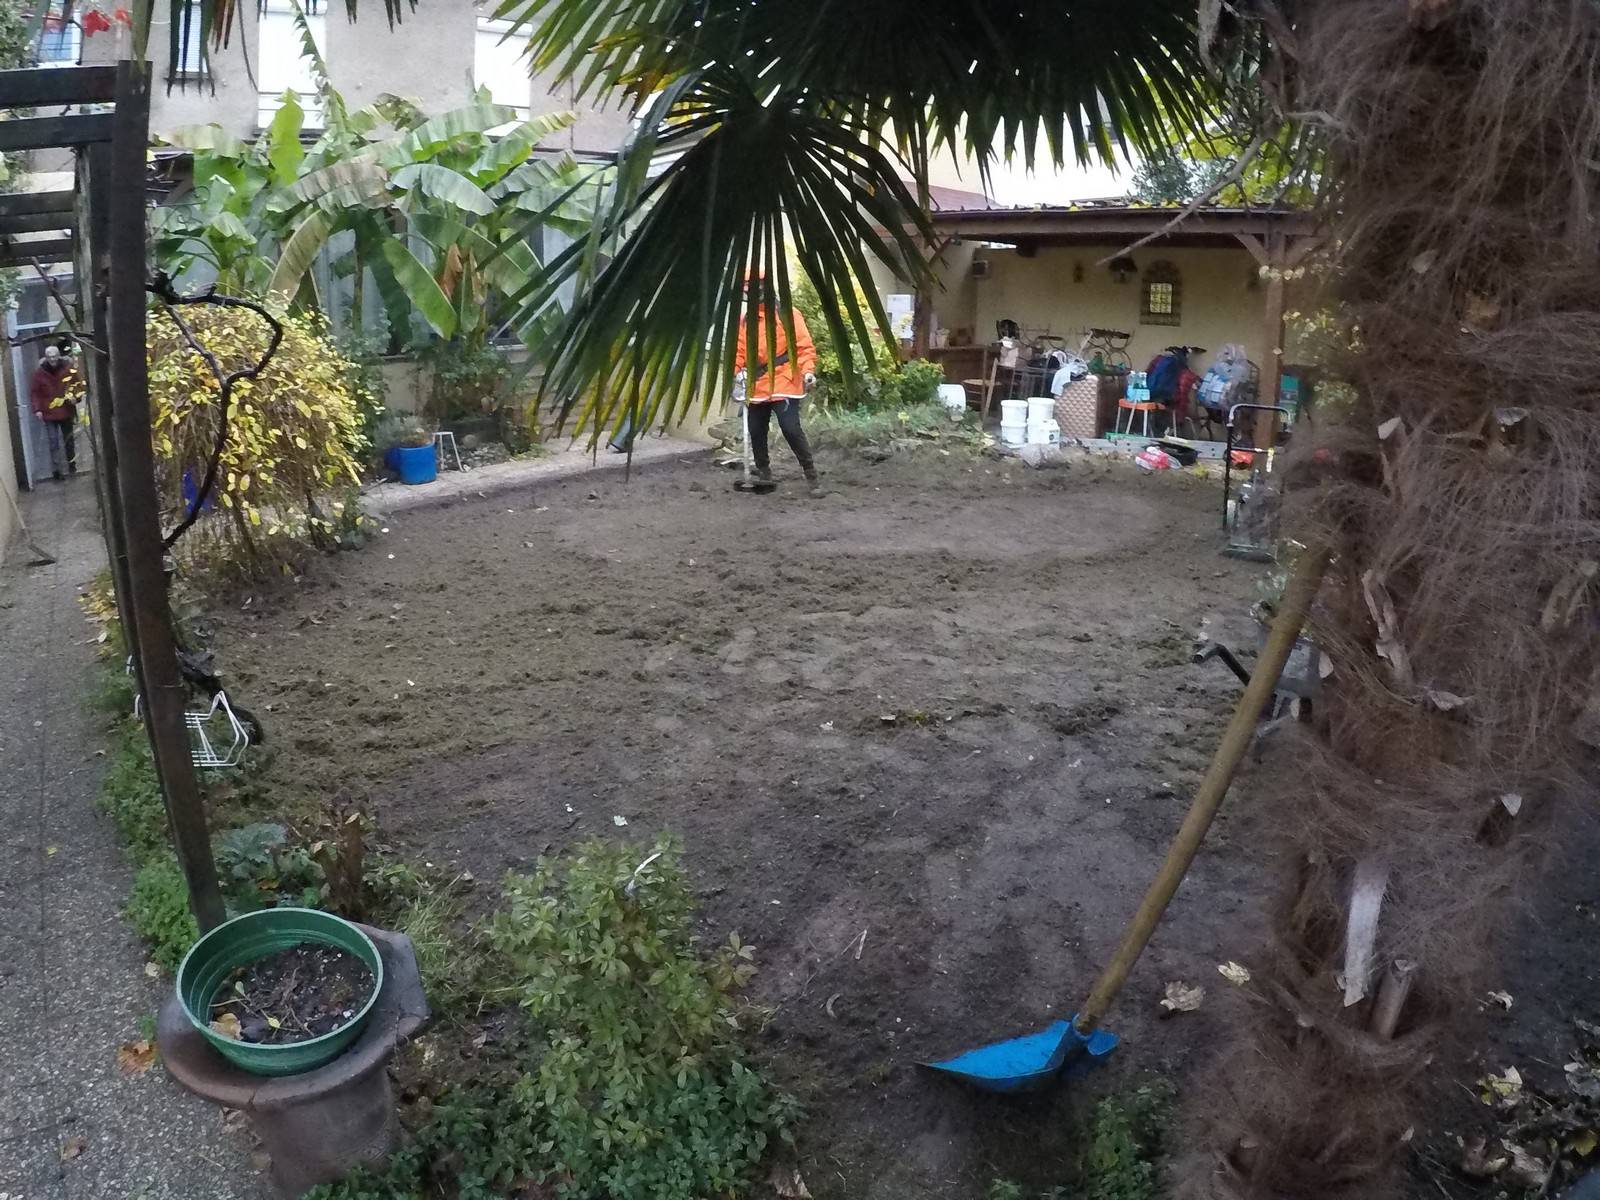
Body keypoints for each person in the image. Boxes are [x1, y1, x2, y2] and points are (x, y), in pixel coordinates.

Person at [734, 279, 820, 496]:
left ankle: (811, 474)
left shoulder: (788, 314)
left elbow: (804, 346)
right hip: (758, 382)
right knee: (756, 429)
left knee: (790, 428)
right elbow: (739, 351)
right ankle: (764, 473)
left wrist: (808, 371)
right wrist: (736, 373)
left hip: (785, 379)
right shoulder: (746, 321)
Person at [30, 343, 79, 480]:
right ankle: (56, 469)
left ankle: (72, 463)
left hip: (66, 409)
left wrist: (75, 397)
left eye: (54, 356)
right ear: (46, 358)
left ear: (59, 356)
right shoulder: (39, 373)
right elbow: (35, 393)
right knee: (53, 441)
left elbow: (77, 384)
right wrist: (37, 409)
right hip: (49, 412)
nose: (52, 359)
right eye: (49, 357)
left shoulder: (68, 369)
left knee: (68, 440)